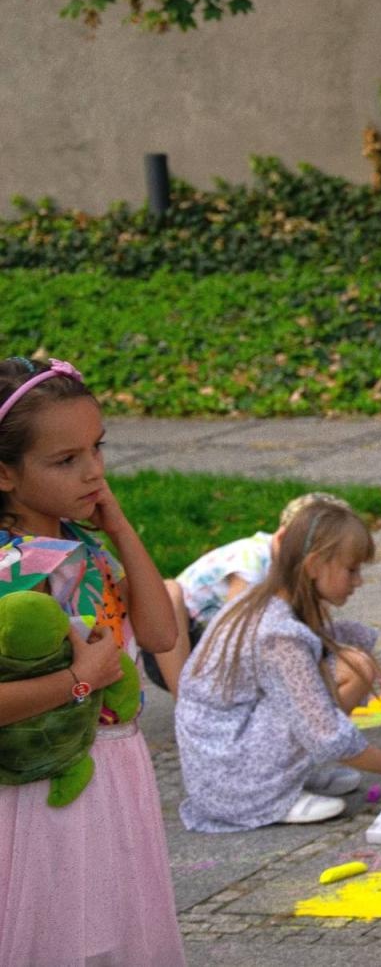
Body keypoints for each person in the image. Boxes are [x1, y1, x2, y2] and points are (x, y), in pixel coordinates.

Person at [0, 356, 184, 965]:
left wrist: (120, 527)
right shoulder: (10, 570)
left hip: (113, 773)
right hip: (41, 792)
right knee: (57, 935)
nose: (94, 473)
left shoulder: (87, 546)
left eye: (97, 450)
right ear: (4, 473)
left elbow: (158, 634)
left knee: (113, 929)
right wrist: (81, 682)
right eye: (66, 461)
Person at [175, 500, 381, 831]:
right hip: (230, 782)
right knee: (308, 704)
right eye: (351, 570)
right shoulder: (279, 635)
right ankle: (271, 798)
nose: (359, 582)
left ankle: (290, 776)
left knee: (337, 673)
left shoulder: (268, 602)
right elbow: (325, 732)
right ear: (313, 565)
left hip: (220, 759)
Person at [143, 490, 349, 696]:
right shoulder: (252, 559)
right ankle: (186, 701)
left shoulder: (297, 573)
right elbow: (235, 630)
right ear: (282, 538)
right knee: (170, 592)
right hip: (183, 644)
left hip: (220, 653)